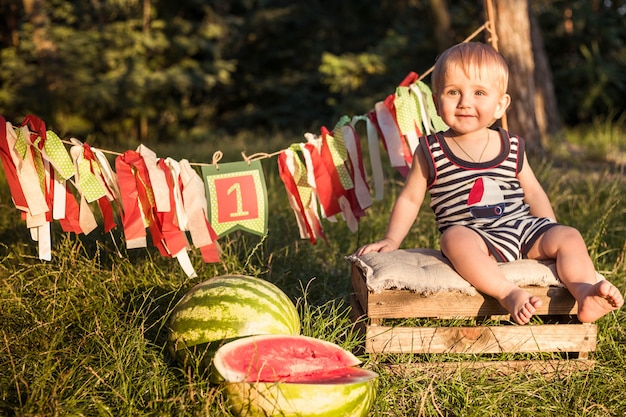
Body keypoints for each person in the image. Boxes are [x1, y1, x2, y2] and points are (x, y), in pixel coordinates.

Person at [355, 42, 623, 325]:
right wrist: (391, 239)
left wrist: (548, 228)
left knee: (569, 236)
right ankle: (508, 293)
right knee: (452, 238)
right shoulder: (431, 149)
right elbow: (410, 199)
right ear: (436, 102)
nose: (465, 102)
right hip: (474, 236)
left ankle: (584, 292)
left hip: (521, 227)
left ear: (500, 105)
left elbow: (532, 190)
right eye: (453, 92)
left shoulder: (511, 144)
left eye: (479, 93)